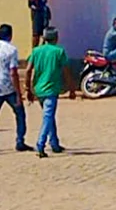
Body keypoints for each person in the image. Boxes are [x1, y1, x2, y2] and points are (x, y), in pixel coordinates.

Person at [25, 27, 75, 157]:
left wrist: (28, 88)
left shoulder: (36, 51)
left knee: (49, 115)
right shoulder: (59, 51)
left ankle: (54, 143)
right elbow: (66, 71)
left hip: (39, 88)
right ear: (56, 38)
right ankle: (40, 144)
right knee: (48, 116)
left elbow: (28, 70)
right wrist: (71, 88)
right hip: (52, 88)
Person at [0, 24, 29, 152]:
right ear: (10, 35)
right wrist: (19, 92)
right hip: (8, 86)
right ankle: (20, 141)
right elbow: (13, 72)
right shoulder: (11, 50)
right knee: (19, 114)